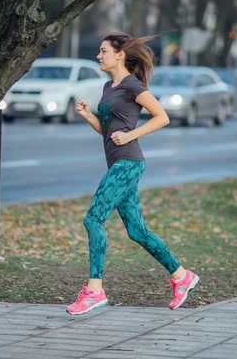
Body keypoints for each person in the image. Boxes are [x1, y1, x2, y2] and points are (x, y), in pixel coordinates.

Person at [66, 33, 199, 315]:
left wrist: (130, 136)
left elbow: (162, 117)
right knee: (137, 231)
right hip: (120, 162)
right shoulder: (108, 86)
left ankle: (94, 291)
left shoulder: (132, 85)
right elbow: (108, 130)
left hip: (127, 162)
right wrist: (89, 115)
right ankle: (181, 276)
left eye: (103, 51)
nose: (99, 56)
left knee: (93, 219)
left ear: (119, 55)